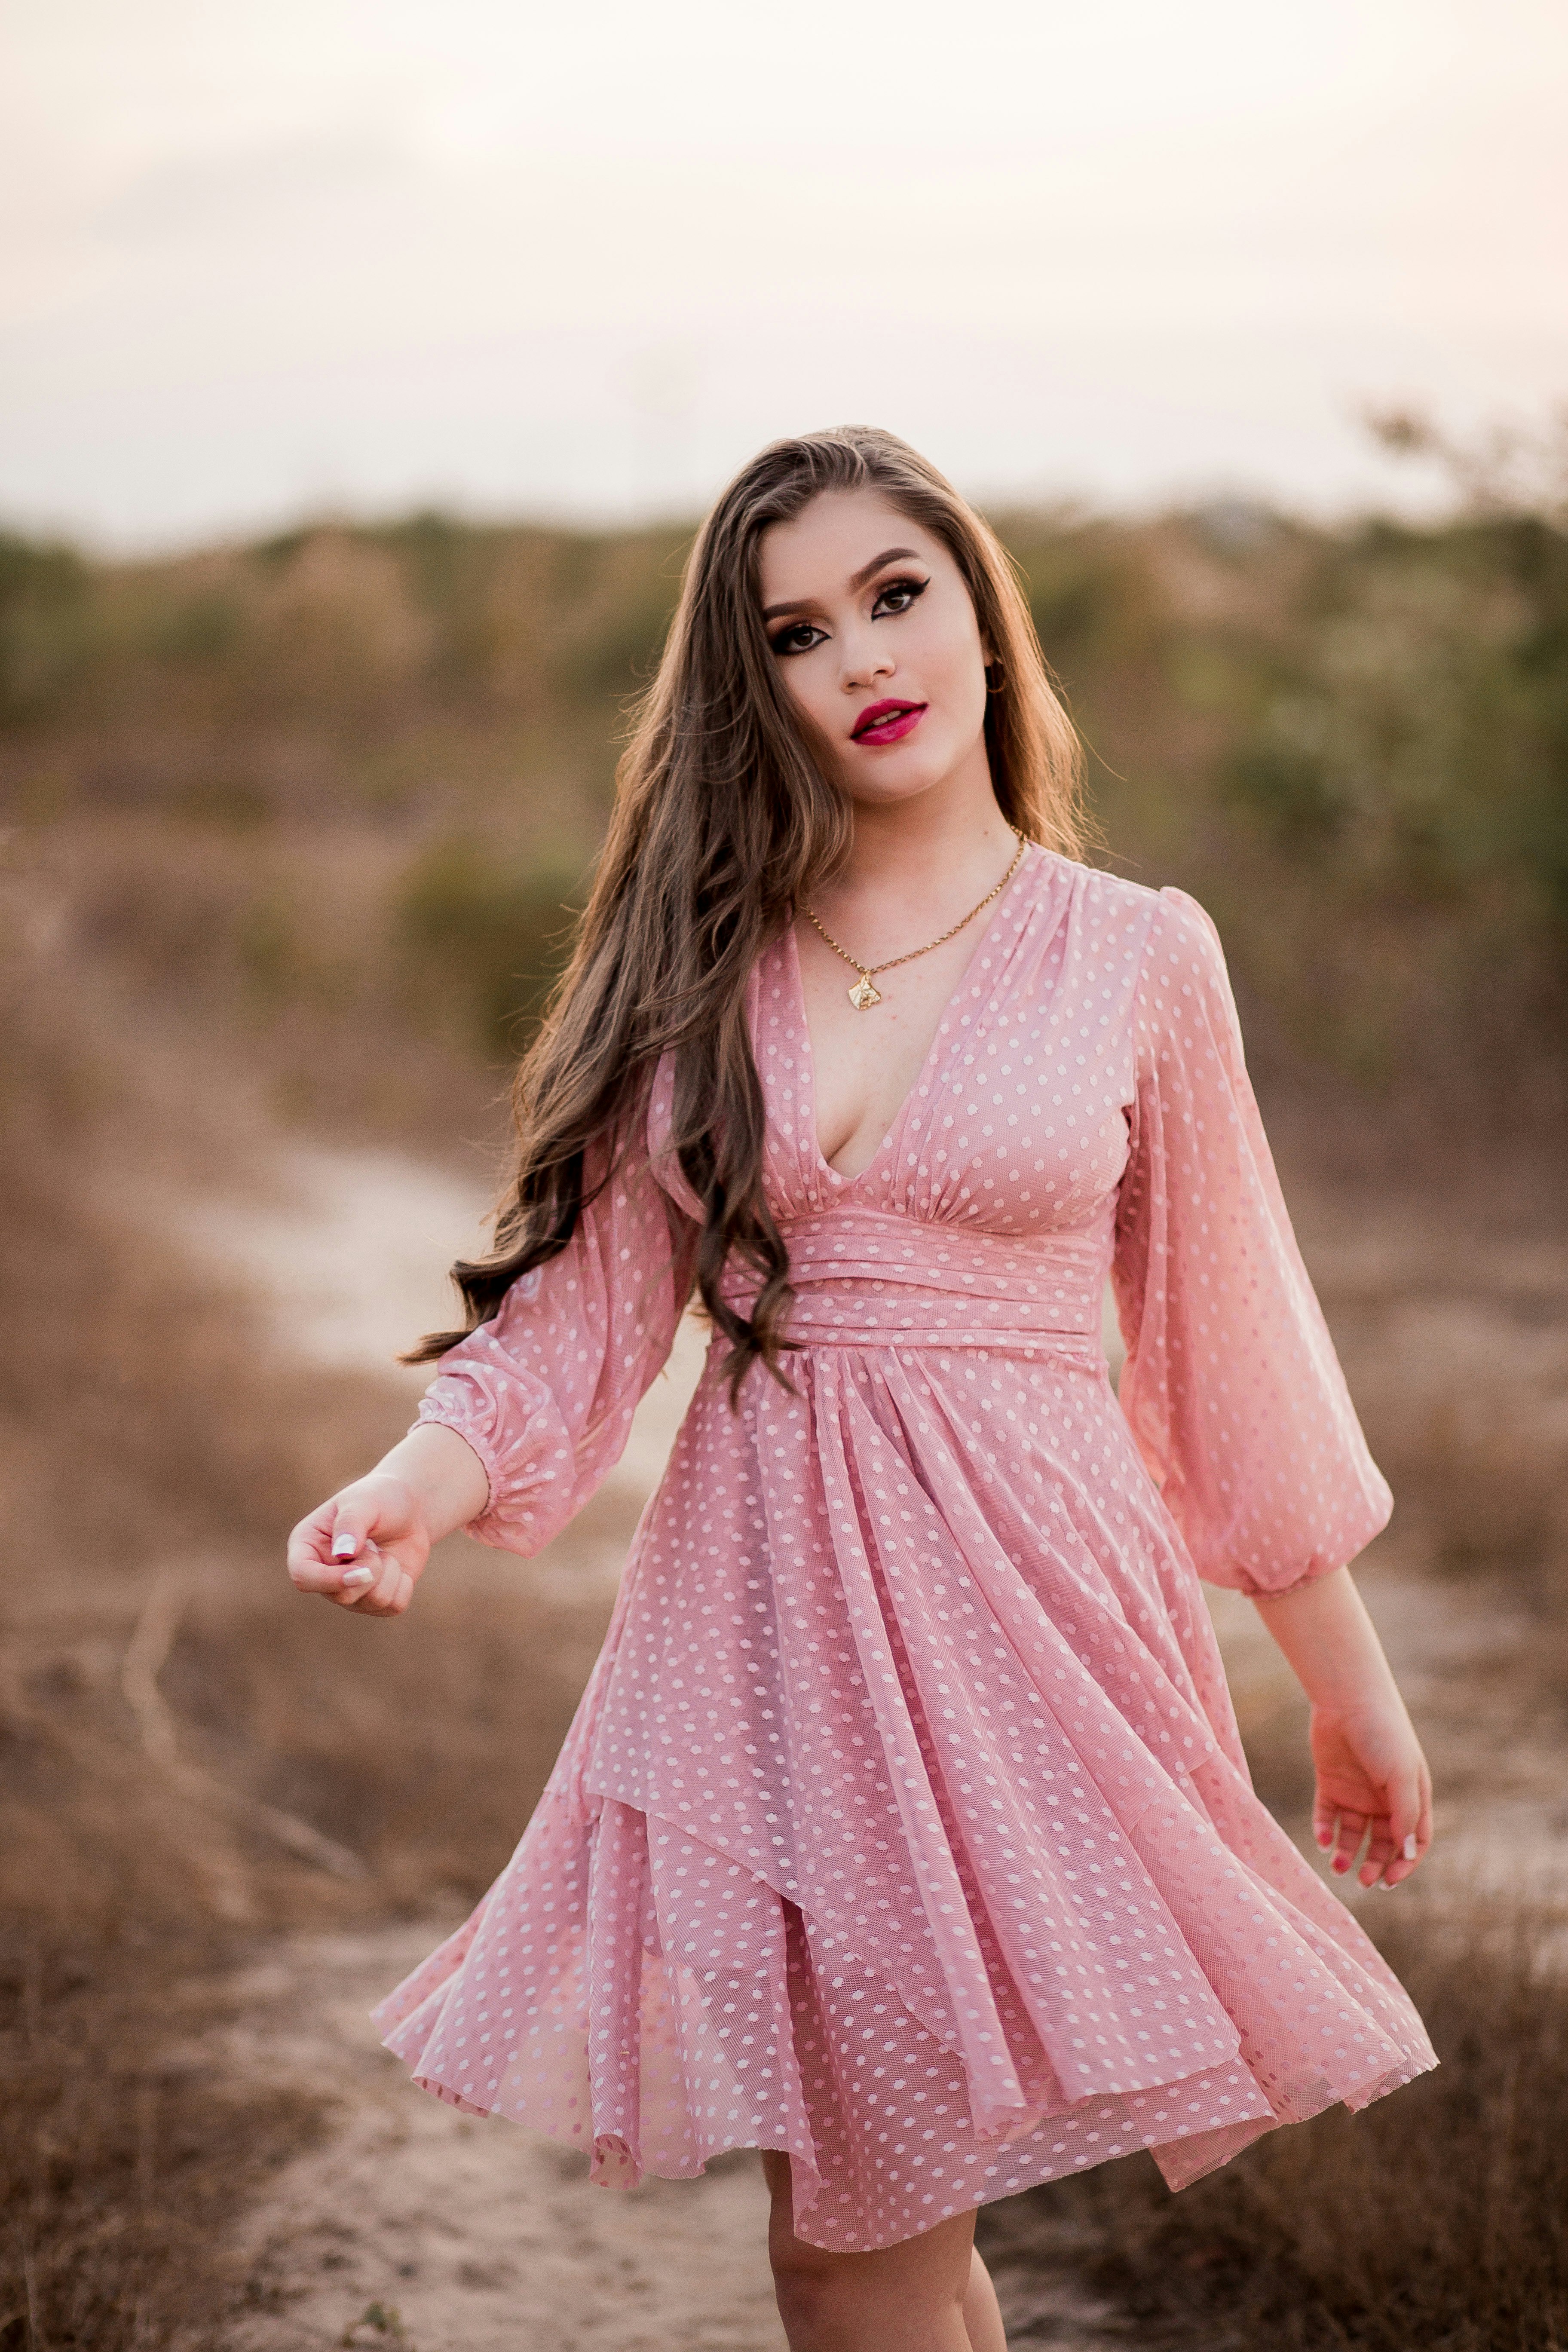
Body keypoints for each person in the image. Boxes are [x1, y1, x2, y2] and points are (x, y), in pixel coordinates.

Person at [286, 426, 1436, 2352]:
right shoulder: (699, 964)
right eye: (799, 633)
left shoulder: (1141, 953)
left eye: (897, 597)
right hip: (769, 1635)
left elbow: (1230, 1354)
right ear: (760, 692)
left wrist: (1352, 1694)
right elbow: (584, 1299)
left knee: (860, 2237)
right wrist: (417, 1479)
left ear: (981, 613)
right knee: (872, 2223)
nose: (864, 658)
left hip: (1032, 1629)